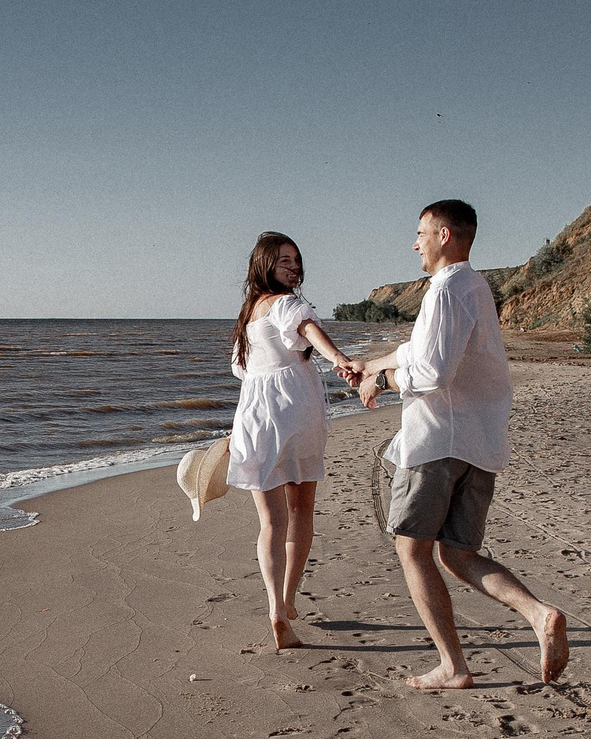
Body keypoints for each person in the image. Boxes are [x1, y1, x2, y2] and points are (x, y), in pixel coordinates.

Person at [351, 200, 567, 689]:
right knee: (458, 554)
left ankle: (454, 667)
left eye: (421, 233)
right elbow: (420, 351)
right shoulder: (474, 287)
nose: (415, 243)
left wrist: (382, 381)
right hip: (479, 442)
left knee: (412, 550)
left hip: (437, 443)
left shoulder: (446, 290)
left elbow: (431, 371)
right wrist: (373, 364)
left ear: (445, 235)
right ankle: (538, 614)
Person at [227, 231, 362, 650]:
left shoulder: (248, 319)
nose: (293, 267)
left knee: (270, 521)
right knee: (301, 511)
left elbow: (244, 376)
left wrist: (240, 429)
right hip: (296, 415)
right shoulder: (288, 304)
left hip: (255, 418)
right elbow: (307, 328)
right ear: (265, 264)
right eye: (284, 260)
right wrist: (340, 359)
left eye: (297, 261)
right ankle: (286, 601)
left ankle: (276, 607)